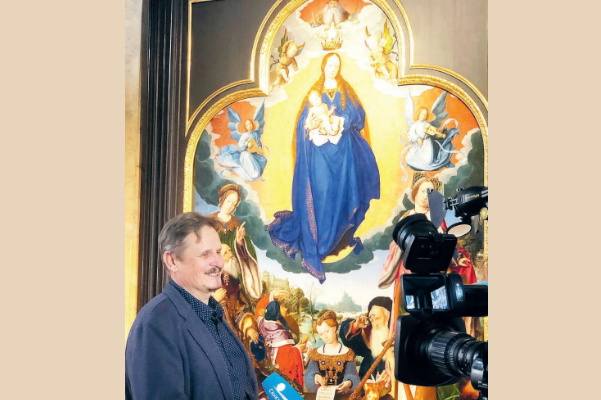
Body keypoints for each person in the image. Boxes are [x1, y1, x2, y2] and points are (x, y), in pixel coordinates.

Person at [267, 52, 380, 283]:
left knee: (340, 194)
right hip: (318, 155)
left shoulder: (346, 91)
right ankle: (318, 241)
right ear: (323, 66)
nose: (333, 68)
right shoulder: (314, 91)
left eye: (336, 65)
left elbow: (358, 115)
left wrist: (341, 120)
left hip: (343, 154)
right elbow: (302, 121)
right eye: (330, 64)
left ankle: (335, 240)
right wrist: (311, 123)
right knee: (322, 193)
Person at [125, 212, 259, 400]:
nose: (219, 262)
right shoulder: (155, 324)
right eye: (205, 254)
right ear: (172, 261)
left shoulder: (214, 315)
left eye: (218, 252)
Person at [339, 297, 394, 382]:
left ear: (388, 318)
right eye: (372, 319)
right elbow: (346, 336)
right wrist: (355, 326)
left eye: (378, 319)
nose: (375, 324)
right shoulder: (368, 334)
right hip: (367, 383)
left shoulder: (397, 337)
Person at [305, 311, 360, 394]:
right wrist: (316, 377)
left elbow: (352, 374)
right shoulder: (316, 353)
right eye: (321, 334)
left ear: (334, 328)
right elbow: (310, 372)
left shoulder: (347, 353)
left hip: (342, 395)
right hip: (322, 395)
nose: (325, 336)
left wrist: (349, 382)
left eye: (327, 331)